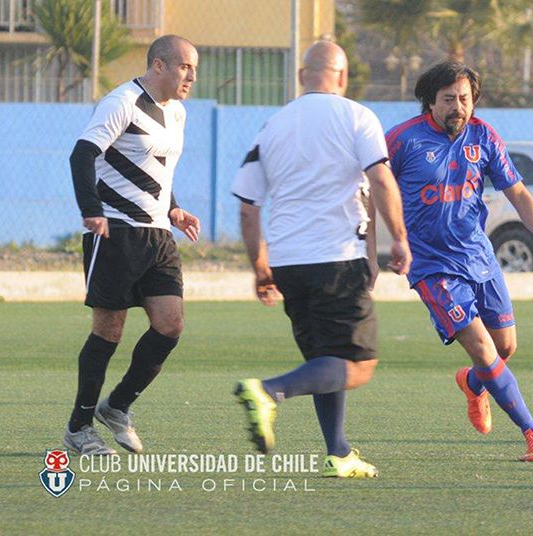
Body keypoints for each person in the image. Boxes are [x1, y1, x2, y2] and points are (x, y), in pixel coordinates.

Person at [231, 40, 410, 479]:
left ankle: (339, 452)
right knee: (358, 365)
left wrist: (260, 266)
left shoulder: (270, 127)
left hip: (289, 263)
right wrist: (399, 240)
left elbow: (248, 206)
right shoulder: (357, 117)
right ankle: (270, 392)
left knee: (325, 359)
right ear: (343, 77)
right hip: (336, 258)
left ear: (301, 76)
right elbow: (381, 180)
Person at [385, 61, 533, 463]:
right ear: (429, 102)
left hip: (479, 256)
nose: (458, 107)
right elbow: (373, 186)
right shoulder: (402, 140)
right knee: (483, 348)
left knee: (504, 346)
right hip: (431, 265)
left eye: (464, 99)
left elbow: (517, 193)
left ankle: (472, 383)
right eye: (448, 99)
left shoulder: (483, 136)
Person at [64, 34, 201, 455]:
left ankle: (118, 405)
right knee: (110, 331)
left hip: (158, 234)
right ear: (158, 65)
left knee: (170, 324)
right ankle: (79, 427)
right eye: (184, 67)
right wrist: (93, 210)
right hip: (117, 232)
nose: (191, 76)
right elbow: (82, 155)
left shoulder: (177, 112)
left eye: (194, 69)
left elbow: (158, 167)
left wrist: (174, 209)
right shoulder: (121, 101)